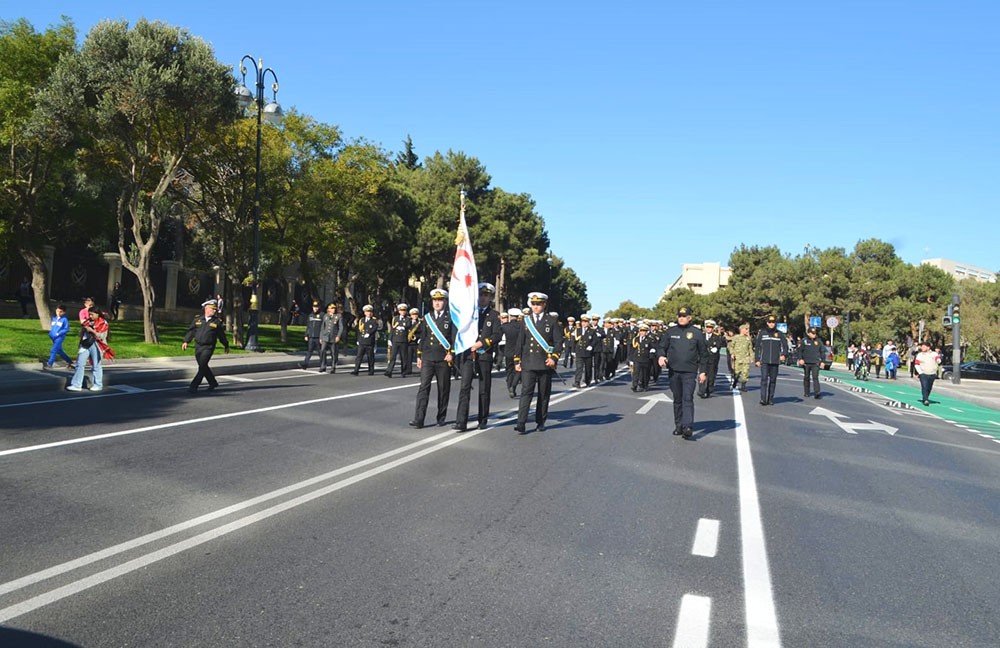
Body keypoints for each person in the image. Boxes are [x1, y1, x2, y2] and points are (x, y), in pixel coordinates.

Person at [655, 306, 709, 439]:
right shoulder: (670, 332)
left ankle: (687, 426)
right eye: (680, 316)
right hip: (674, 371)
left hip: (689, 372)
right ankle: (678, 425)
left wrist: (703, 372)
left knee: (687, 398)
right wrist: (661, 356)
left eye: (684, 316)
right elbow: (661, 347)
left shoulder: (696, 333)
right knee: (677, 399)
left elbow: (703, 354)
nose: (681, 318)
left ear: (689, 317)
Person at [513, 292, 563, 433]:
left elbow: (559, 342)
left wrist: (554, 358)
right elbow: (520, 342)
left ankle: (540, 421)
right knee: (526, 393)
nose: (535, 306)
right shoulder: (526, 321)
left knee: (543, 394)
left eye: (538, 304)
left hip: (544, 363)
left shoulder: (552, 321)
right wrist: (517, 360)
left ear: (544, 305)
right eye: (533, 304)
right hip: (528, 363)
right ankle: (521, 422)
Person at [454, 283, 501, 431]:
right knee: (465, 387)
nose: (482, 298)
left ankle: (483, 419)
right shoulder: (469, 313)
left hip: (484, 356)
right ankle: (461, 421)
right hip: (469, 356)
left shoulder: (494, 315)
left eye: (486, 295)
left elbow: (497, 335)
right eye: (480, 295)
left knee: (484, 389)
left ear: (490, 298)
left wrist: (482, 343)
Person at [408, 288, 454, 429]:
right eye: (435, 300)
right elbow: (423, 338)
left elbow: (454, 337)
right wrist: (419, 355)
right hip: (428, 357)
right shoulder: (427, 318)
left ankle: (441, 416)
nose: (437, 303)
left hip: (443, 358)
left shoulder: (450, 318)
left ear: (445, 302)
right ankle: (419, 419)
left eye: (440, 300)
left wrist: (451, 352)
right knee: (423, 387)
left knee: (443, 388)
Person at [182, 299, 230, 393]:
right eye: (213, 309)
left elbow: (221, 336)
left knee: (203, 365)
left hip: (208, 347)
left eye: (215, 309)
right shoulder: (198, 319)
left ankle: (194, 386)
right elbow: (191, 331)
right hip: (198, 346)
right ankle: (212, 382)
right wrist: (186, 341)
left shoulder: (217, 322)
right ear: (206, 309)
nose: (215, 311)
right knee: (203, 366)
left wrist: (226, 345)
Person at [67, 307, 109, 392]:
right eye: (89, 314)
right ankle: (77, 384)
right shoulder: (88, 322)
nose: (90, 316)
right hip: (86, 343)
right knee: (79, 364)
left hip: (97, 345)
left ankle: (98, 384)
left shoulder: (103, 323)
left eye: (92, 314)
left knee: (96, 365)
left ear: (97, 314)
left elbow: (102, 336)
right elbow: (81, 332)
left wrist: (92, 330)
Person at [755, 315, 788, 406]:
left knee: (773, 380)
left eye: (773, 322)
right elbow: (757, 346)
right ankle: (763, 399)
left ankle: (770, 399)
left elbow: (785, 346)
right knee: (764, 379)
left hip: (775, 361)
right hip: (764, 361)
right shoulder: (762, 333)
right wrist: (757, 359)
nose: (771, 324)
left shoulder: (779, 334)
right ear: (767, 323)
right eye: (770, 322)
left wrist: (784, 355)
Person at [698, 319, 726, 398]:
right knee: (702, 374)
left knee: (711, 376)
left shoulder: (716, 337)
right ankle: (701, 390)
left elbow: (719, 344)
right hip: (702, 359)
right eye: (707, 327)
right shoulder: (701, 336)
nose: (708, 329)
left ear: (713, 328)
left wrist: (716, 348)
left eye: (710, 327)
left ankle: (709, 389)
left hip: (712, 359)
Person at [385, 303, 412, 377]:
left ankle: (403, 371)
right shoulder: (395, 318)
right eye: (401, 310)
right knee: (392, 357)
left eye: (404, 310)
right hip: (395, 340)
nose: (403, 312)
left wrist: (403, 327)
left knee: (403, 357)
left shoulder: (408, 319)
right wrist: (390, 339)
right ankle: (389, 371)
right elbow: (392, 330)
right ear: (399, 311)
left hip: (403, 340)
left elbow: (409, 325)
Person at [44, 305, 74, 370]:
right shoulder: (54, 318)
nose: (58, 313)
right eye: (57, 311)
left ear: (64, 312)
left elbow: (66, 329)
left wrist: (58, 333)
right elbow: (53, 327)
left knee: (53, 350)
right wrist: (51, 333)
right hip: (53, 337)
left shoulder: (64, 319)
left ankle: (50, 363)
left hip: (59, 337)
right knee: (59, 351)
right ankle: (69, 361)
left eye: (60, 312)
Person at [352, 304, 379, 375]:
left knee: (370, 357)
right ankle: (356, 370)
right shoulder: (361, 320)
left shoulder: (374, 321)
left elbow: (374, 328)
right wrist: (358, 339)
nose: (369, 313)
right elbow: (358, 330)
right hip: (362, 341)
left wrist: (369, 333)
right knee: (359, 356)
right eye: (367, 312)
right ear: (364, 313)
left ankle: (371, 370)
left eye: (370, 312)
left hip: (370, 342)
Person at [797, 327, 824, 399]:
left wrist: (823, 361)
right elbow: (799, 351)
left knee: (815, 377)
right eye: (812, 333)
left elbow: (822, 352)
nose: (814, 334)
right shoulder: (804, 341)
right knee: (806, 377)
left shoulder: (819, 341)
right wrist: (800, 359)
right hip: (806, 362)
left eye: (814, 333)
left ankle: (817, 392)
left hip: (815, 362)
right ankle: (806, 392)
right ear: (808, 334)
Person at [502, 307, 523, 398]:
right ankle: (513, 386)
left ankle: (509, 386)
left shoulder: (505, 326)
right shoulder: (522, 326)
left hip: (508, 351)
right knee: (518, 370)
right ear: (518, 316)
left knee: (509, 370)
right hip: (519, 352)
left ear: (510, 316)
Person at [913, 340, 942, 405]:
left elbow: (938, 359)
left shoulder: (934, 354)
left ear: (928, 347)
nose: (922, 348)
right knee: (924, 386)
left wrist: (938, 360)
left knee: (929, 387)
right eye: (922, 347)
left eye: (924, 346)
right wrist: (920, 372)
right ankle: (925, 399)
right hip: (923, 373)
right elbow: (916, 364)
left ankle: (926, 397)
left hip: (932, 373)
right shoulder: (920, 355)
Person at [318, 302, 344, 373]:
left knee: (334, 353)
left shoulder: (338, 316)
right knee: (322, 351)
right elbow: (322, 327)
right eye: (331, 308)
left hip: (333, 337)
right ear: (328, 309)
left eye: (334, 308)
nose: (333, 310)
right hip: (325, 337)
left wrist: (338, 336)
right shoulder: (325, 316)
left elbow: (341, 327)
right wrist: (321, 337)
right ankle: (323, 365)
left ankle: (333, 367)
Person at [572, 314, 597, 388]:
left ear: (588, 322)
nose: (584, 323)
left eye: (586, 322)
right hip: (579, 352)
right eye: (583, 322)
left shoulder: (592, 331)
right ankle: (577, 382)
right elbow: (573, 341)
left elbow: (595, 340)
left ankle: (587, 381)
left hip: (588, 353)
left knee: (588, 368)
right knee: (579, 368)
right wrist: (573, 351)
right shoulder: (577, 330)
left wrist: (591, 346)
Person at [629, 322, 655, 391]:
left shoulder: (649, 339)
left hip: (646, 359)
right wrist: (630, 359)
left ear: (646, 332)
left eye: (644, 331)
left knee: (645, 373)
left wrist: (651, 354)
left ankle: (645, 385)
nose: (642, 333)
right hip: (637, 358)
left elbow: (653, 348)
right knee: (636, 373)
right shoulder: (636, 339)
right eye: (641, 331)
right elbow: (632, 349)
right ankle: (634, 385)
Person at [729, 323, 754, 391]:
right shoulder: (736, 338)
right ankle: (735, 381)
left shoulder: (748, 339)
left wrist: (752, 357)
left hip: (746, 359)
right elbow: (731, 346)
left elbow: (750, 349)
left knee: (745, 373)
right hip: (737, 358)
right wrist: (732, 354)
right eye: (746, 329)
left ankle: (743, 385)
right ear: (742, 330)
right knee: (737, 373)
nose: (747, 331)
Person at [301, 300, 324, 370]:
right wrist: (306, 335)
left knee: (320, 352)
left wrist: (322, 337)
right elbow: (308, 326)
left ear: (319, 307)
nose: (315, 308)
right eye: (314, 307)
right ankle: (305, 364)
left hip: (318, 337)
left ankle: (322, 365)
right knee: (309, 351)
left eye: (317, 307)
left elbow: (324, 327)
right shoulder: (310, 315)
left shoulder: (322, 315)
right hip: (311, 337)